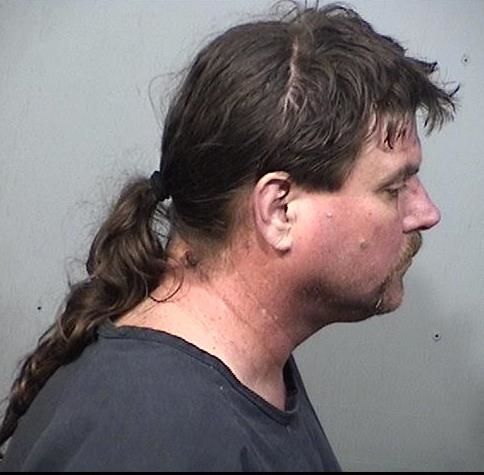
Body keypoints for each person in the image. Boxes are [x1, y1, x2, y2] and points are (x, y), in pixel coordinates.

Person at [0, 2, 457, 471]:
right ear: (279, 210)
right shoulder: (151, 434)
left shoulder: (243, 377)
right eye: (394, 187)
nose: (426, 213)